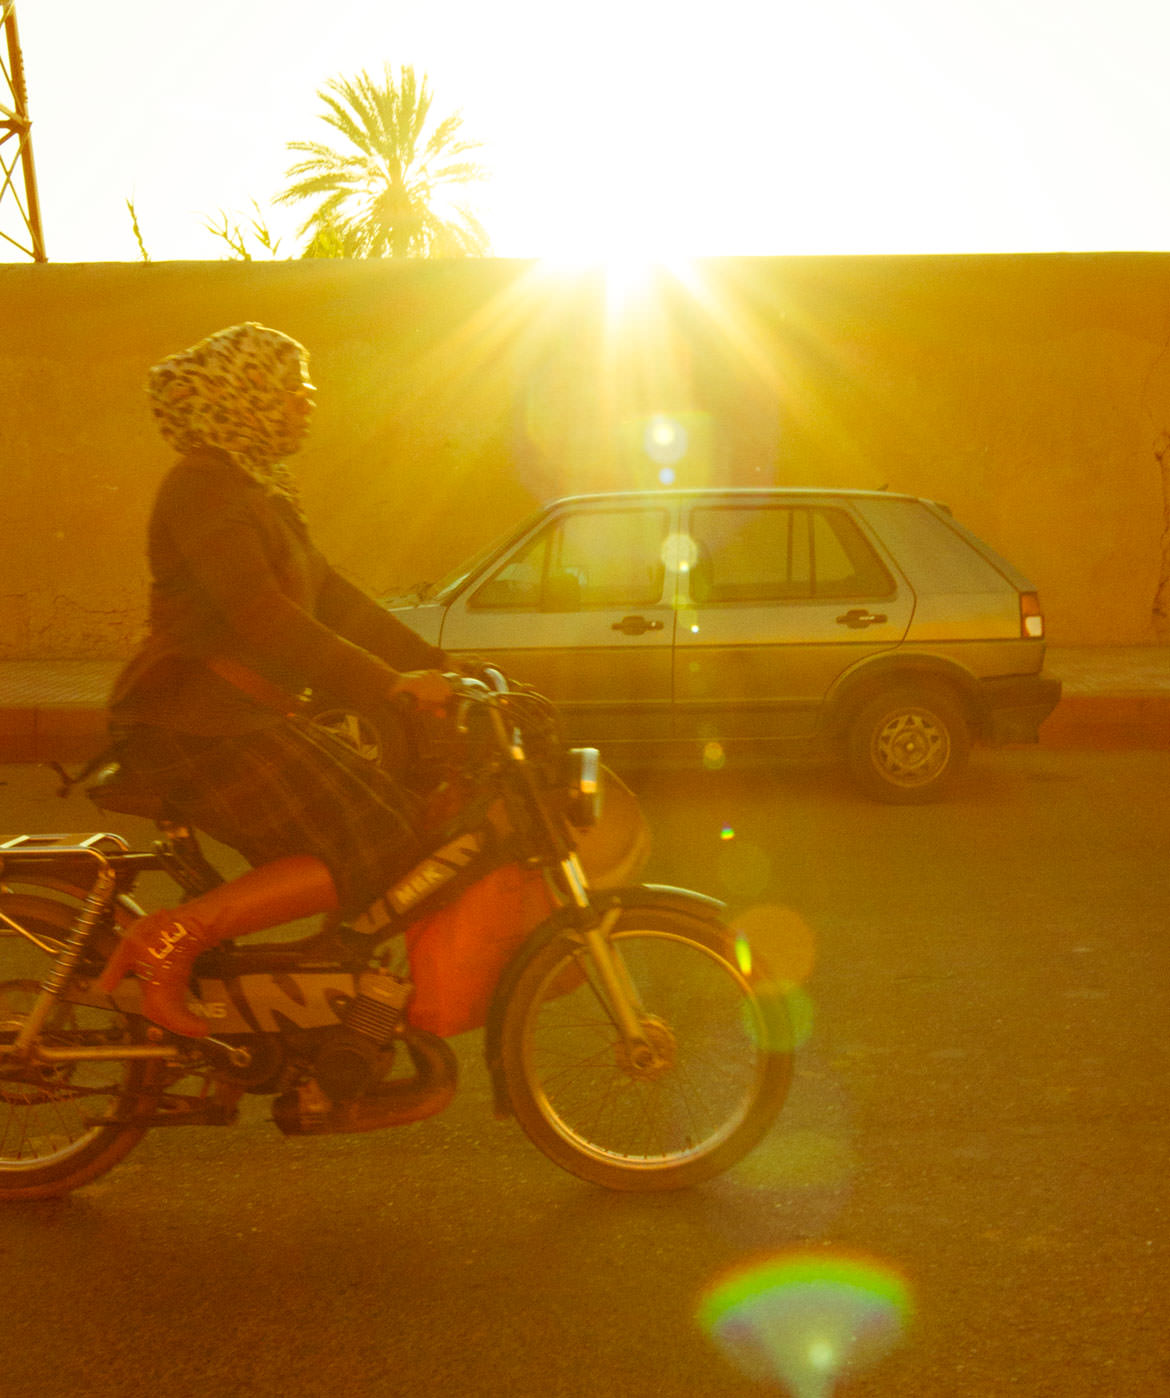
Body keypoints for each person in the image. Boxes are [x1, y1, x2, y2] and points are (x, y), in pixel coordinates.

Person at [96, 321, 453, 1039]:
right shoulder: (201, 486)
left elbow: (335, 599)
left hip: (244, 719)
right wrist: (388, 685)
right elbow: (262, 616)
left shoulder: (258, 487)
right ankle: (164, 950)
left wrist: (440, 669)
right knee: (372, 841)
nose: (308, 403)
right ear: (245, 398)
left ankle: (311, 990)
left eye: (306, 389)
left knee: (391, 822)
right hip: (191, 723)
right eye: (293, 391)